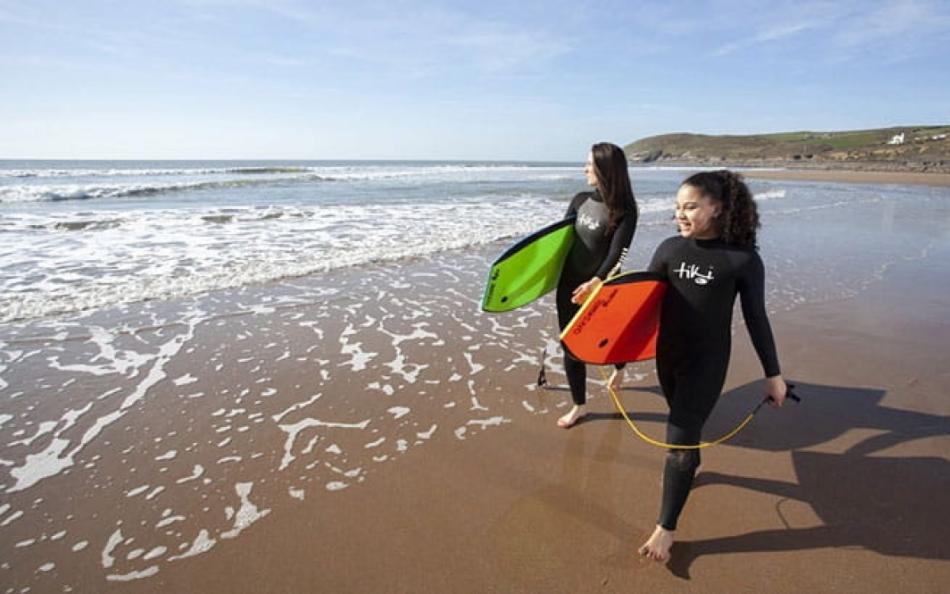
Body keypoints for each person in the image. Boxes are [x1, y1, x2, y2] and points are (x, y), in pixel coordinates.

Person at [638, 170, 788, 562]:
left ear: (717, 208)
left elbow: (757, 318)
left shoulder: (741, 260)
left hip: (707, 362)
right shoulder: (669, 249)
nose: (680, 215)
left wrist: (773, 375)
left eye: (690, 206)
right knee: (684, 430)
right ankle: (692, 462)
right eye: (677, 207)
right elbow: (643, 304)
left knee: (679, 440)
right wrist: (615, 350)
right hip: (667, 358)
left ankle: (665, 528)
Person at [555, 142, 638, 429]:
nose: (585, 169)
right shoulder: (580, 200)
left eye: (589, 164)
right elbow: (559, 241)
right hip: (569, 283)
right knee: (570, 343)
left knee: (610, 337)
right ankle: (579, 405)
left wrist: (596, 282)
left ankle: (620, 367)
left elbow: (619, 254)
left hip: (603, 285)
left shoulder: (625, 210)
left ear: (605, 169)